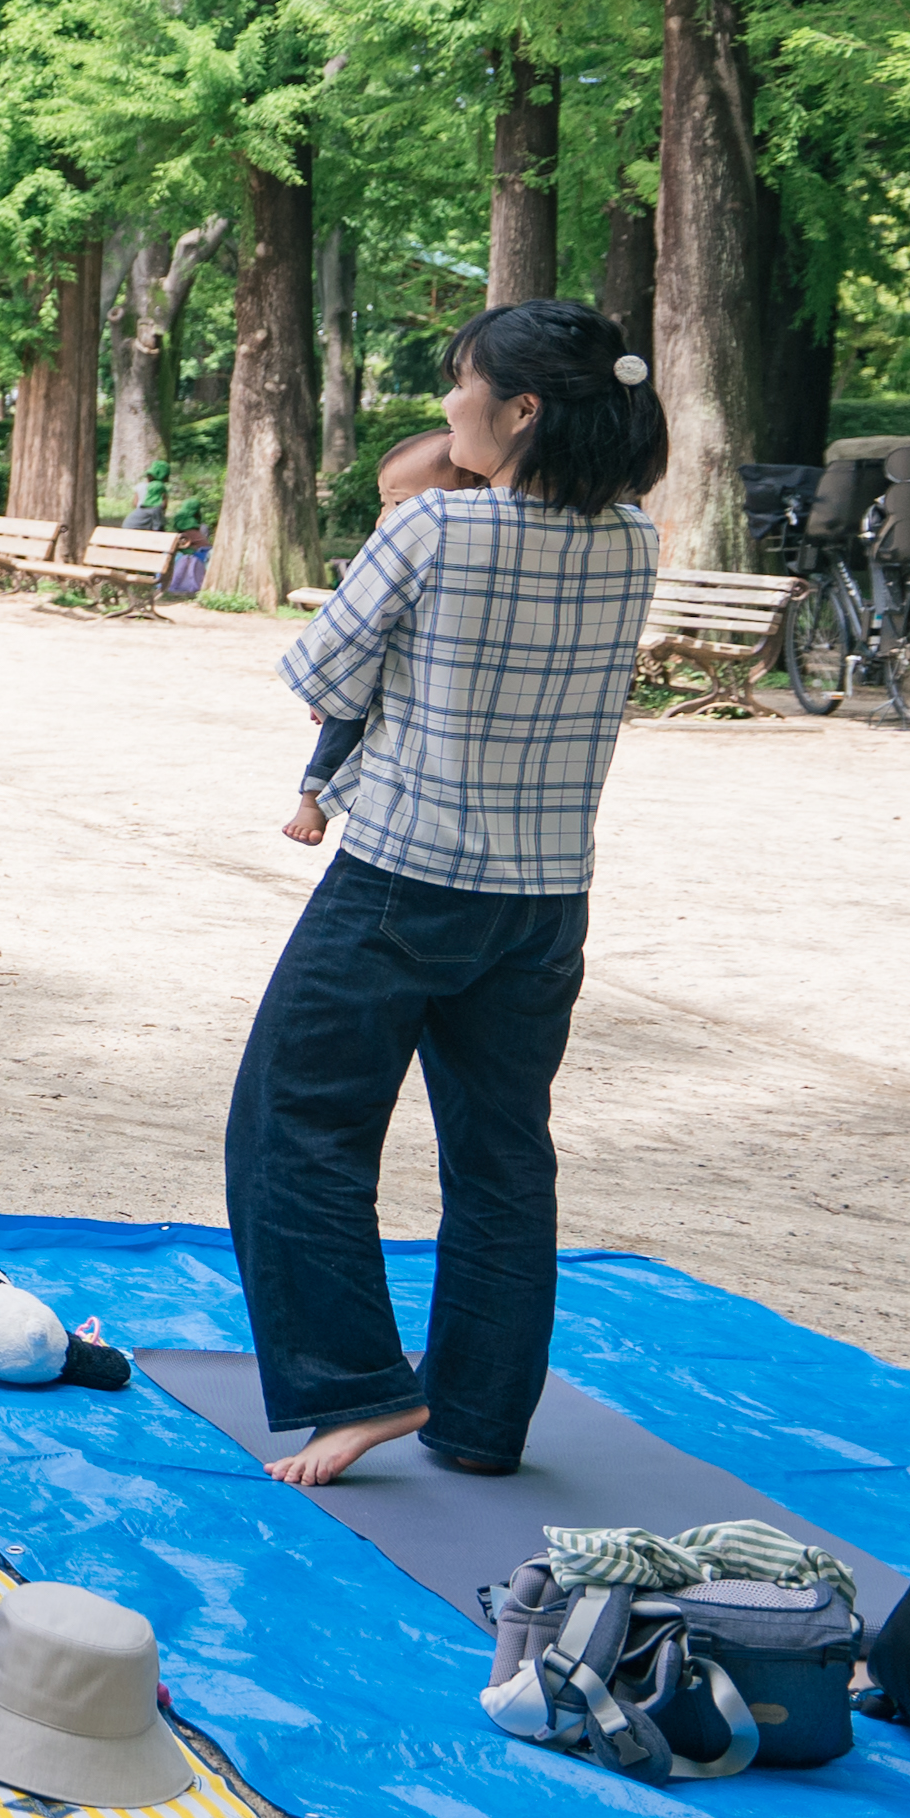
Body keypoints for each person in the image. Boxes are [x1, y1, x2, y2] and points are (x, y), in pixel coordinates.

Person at [227, 302, 662, 1488]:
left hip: (403, 883)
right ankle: (477, 1424)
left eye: (458, 385)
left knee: (290, 1128)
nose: (446, 406)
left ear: (520, 410)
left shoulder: (433, 531)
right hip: (542, 899)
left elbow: (316, 672)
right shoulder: (632, 538)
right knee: (501, 1157)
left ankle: (356, 1387)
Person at [285, 428, 488, 846]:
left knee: (345, 712)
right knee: (343, 715)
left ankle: (315, 797)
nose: (385, 516)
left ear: (470, 485)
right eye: (385, 502)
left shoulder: (435, 530)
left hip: (410, 687)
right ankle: (312, 797)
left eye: (398, 503)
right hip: (375, 675)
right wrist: (331, 689)